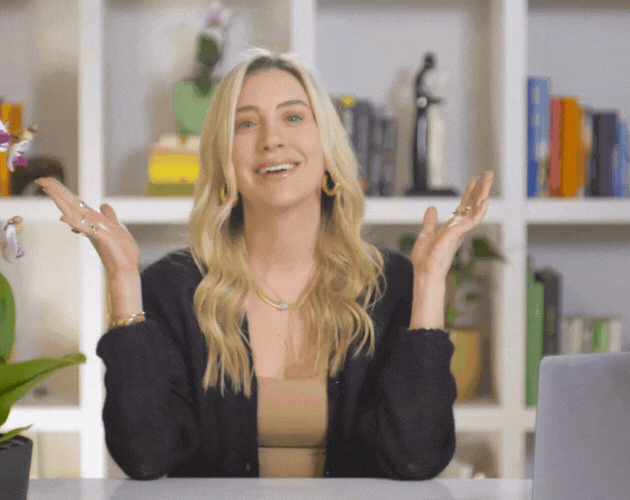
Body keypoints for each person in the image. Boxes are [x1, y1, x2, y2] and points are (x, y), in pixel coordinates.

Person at [36, 48, 493, 480]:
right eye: (246, 124)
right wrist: (122, 280)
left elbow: (415, 457)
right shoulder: (171, 289)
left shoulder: (389, 285)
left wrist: (429, 282)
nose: (272, 140)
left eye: (293, 117)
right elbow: (145, 457)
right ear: (224, 160)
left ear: (327, 147)